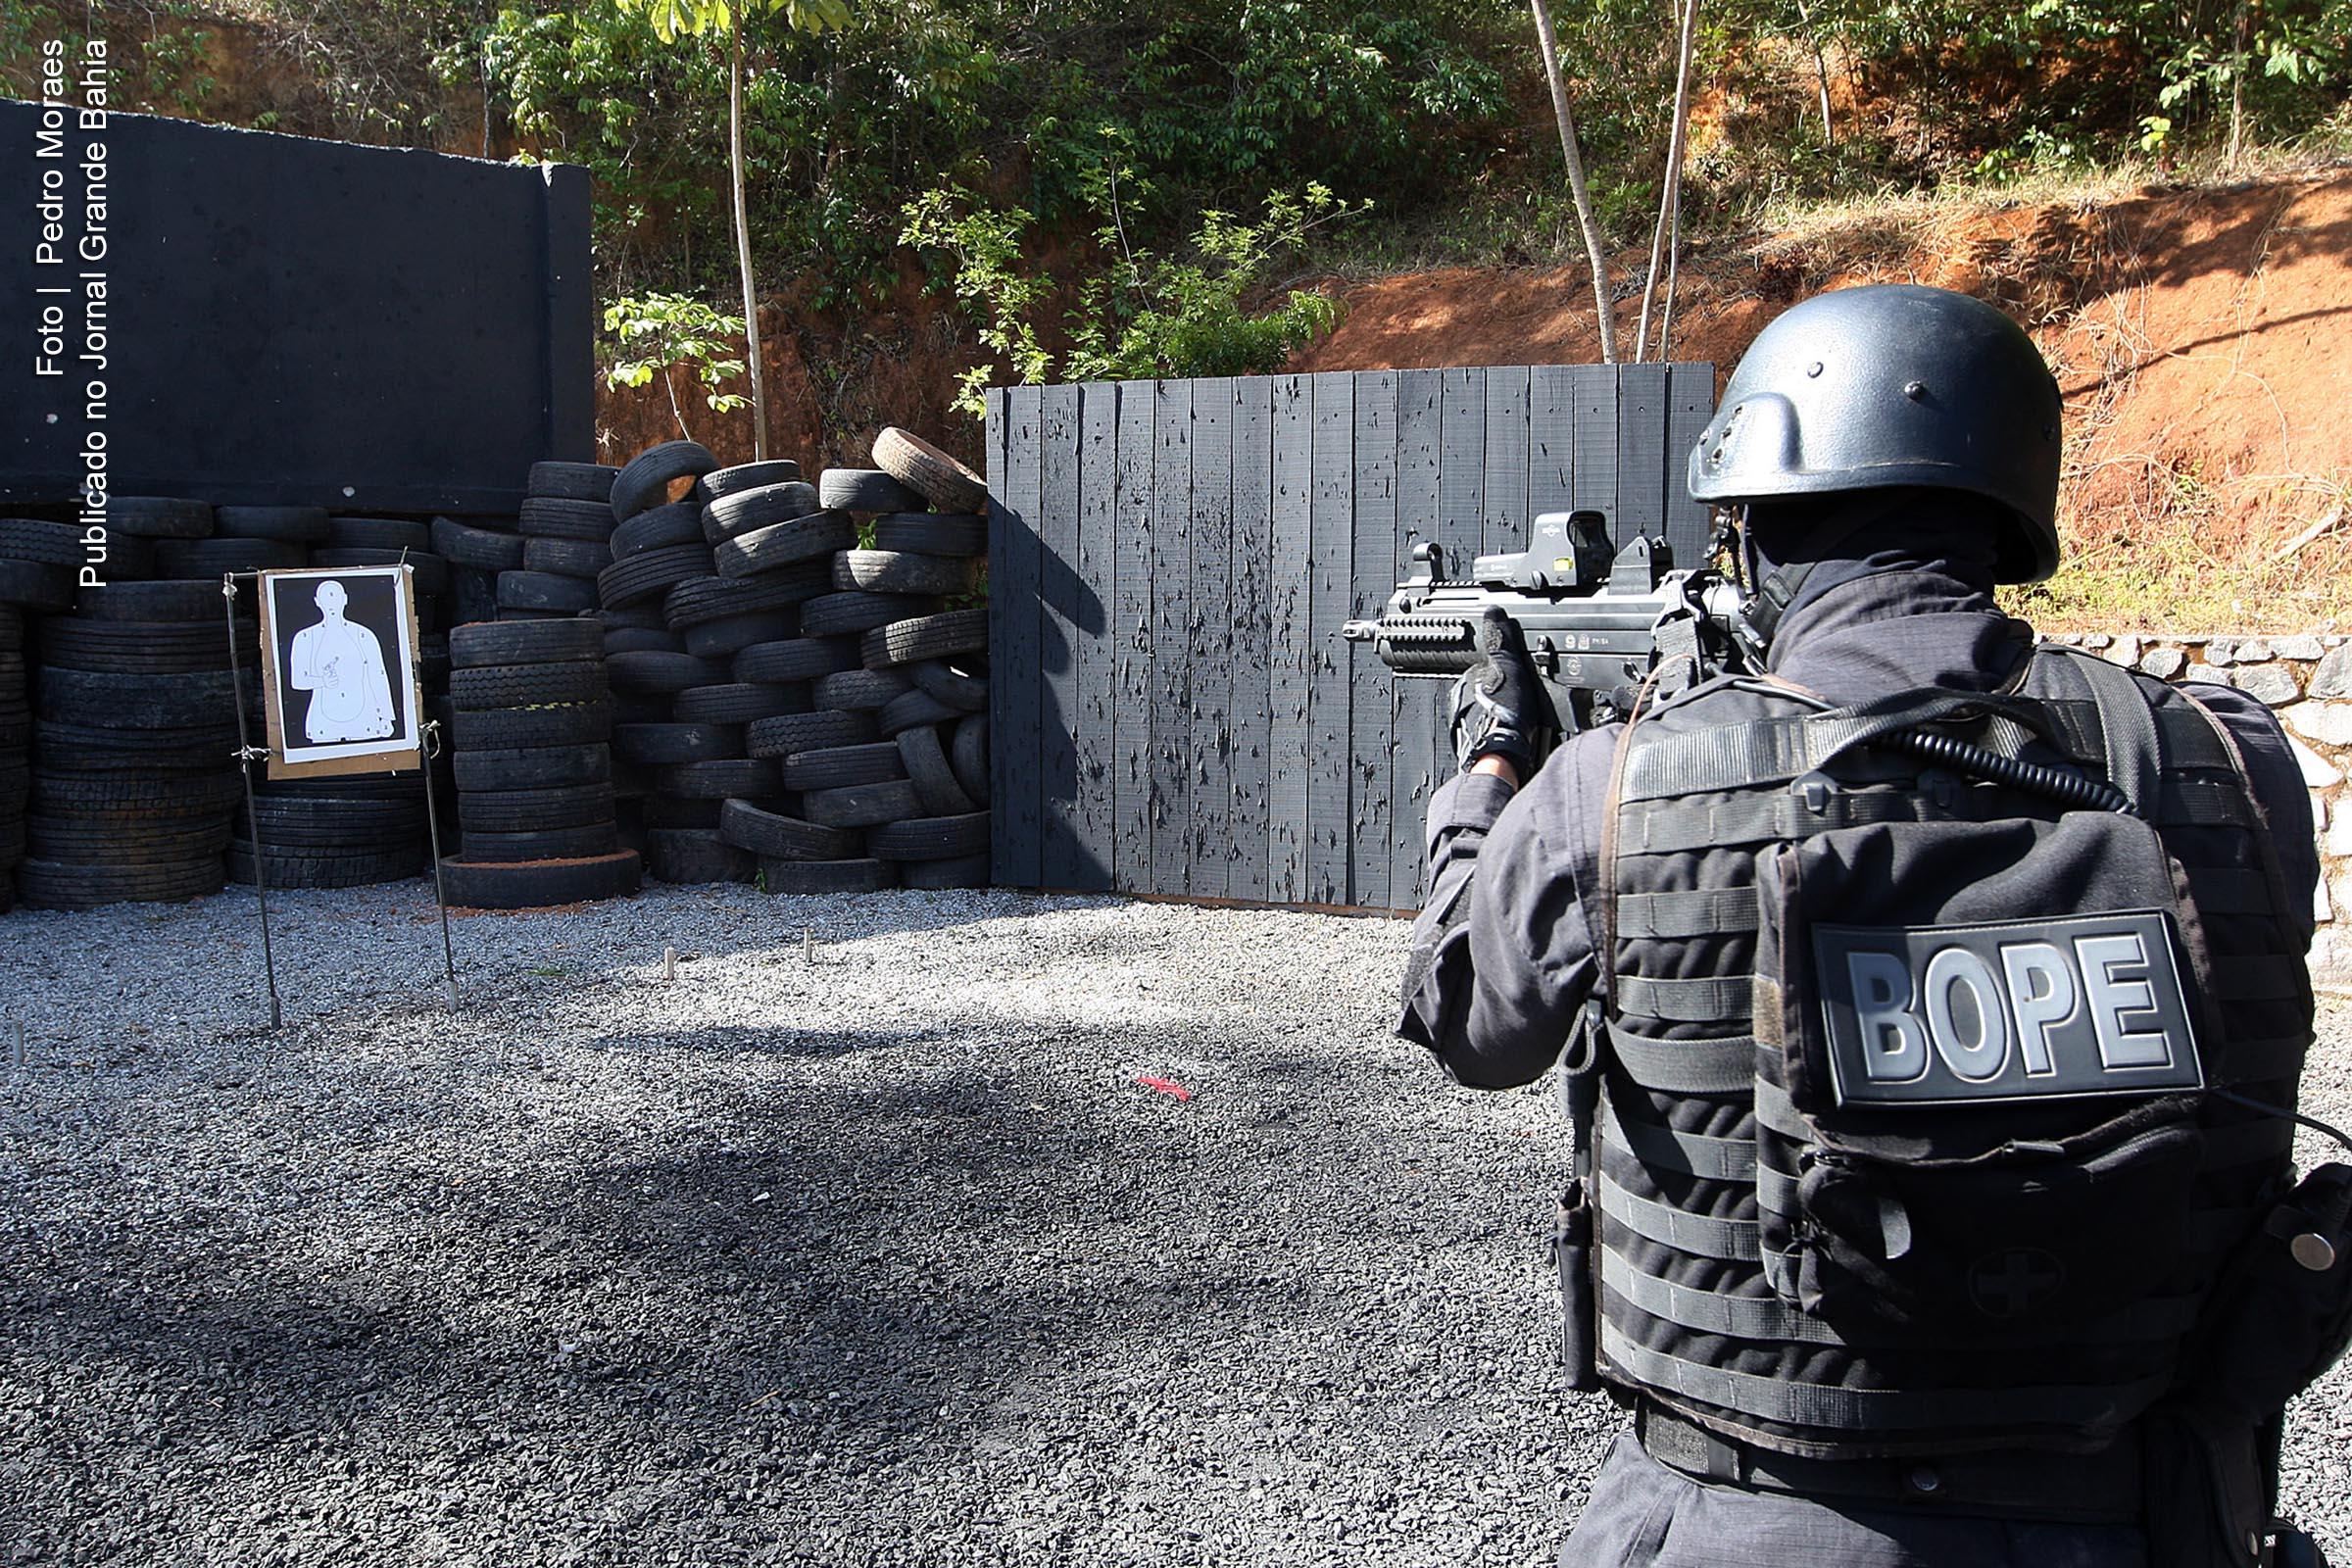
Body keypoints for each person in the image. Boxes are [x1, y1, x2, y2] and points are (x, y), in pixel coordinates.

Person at [1398, 283, 2343, 1567]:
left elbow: (1468, 1019)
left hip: (1748, 1518)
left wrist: (1495, 768)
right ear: (2009, 510)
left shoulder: (1619, 785)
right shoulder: (2230, 762)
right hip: (2154, 1511)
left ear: (1763, 527)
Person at [289, 577, 396, 744]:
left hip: (365, 720)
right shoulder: (305, 638)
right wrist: (322, 681)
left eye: (335, 597)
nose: (331, 604)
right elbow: (297, 681)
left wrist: (386, 715)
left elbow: (378, 676)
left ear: (345, 599)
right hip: (323, 723)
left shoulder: (363, 635)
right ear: (317, 602)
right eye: (326, 598)